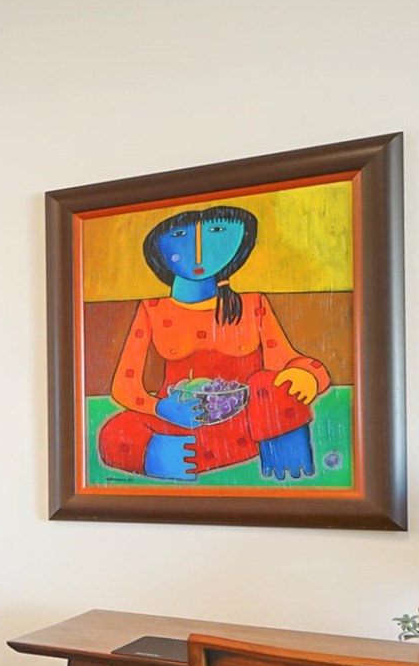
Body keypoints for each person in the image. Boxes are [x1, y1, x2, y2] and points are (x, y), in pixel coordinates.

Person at [93, 205, 328, 482]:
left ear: (240, 242)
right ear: (157, 249)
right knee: (115, 432)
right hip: (186, 421)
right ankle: (172, 458)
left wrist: (307, 375)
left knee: (268, 384)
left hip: (251, 420)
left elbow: (287, 363)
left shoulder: (253, 305)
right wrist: (160, 408)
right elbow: (125, 385)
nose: (199, 250)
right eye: (180, 234)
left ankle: (280, 444)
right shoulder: (152, 310)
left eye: (217, 231)